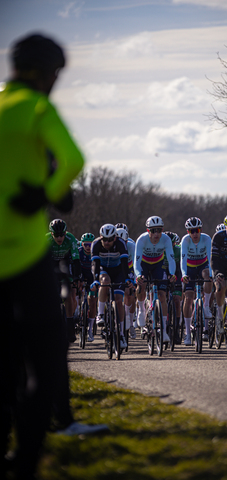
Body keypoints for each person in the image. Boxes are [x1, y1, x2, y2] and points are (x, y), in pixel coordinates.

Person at [0, 33, 107, 480]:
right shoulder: (38, 108)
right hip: (26, 256)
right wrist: (48, 192)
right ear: (50, 73)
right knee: (44, 358)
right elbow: (75, 159)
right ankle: (26, 462)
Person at [134, 216, 176, 343]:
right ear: (148, 231)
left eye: (159, 230)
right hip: (144, 265)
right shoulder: (141, 240)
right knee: (141, 285)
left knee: (162, 295)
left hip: (158, 265)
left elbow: (171, 258)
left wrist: (172, 274)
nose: (156, 234)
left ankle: (163, 330)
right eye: (153, 230)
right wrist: (138, 275)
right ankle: (141, 309)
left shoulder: (166, 239)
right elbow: (137, 262)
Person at [91, 223, 131, 349]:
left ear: (115, 238)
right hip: (103, 270)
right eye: (104, 239)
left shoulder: (120, 244)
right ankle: (100, 314)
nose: (107, 243)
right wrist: (95, 279)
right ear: (100, 237)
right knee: (104, 281)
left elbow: (125, 264)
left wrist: (127, 278)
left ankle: (121, 334)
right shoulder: (96, 244)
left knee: (119, 301)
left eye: (109, 240)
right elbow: (95, 265)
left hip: (118, 271)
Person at [47, 218, 82, 342]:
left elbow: (76, 260)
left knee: (69, 294)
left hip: (66, 264)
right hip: (51, 265)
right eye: (56, 235)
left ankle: (70, 327)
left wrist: (76, 278)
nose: (60, 238)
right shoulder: (46, 240)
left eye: (62, 234)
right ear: (52, 234)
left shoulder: (70, 239)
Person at [180, 217, 213, 345]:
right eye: (191, 231)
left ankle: (205, 307)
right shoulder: (185, 240)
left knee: (207, 275)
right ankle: (187, 333)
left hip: (203, 265)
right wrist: (183, 275)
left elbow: (210, 260)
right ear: (188, 232)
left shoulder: (206, 239)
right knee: (188, 298)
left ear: (201, 230)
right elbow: (182, 261)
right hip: (189, 268)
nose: (194, 234)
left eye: (197, 230)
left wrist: (210, 274)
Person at [116, 226, 137, 339]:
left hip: (130, 268)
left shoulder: (131, 246)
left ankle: (130, 321)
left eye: (124, 242)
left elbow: (135, 263)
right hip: (118, 268)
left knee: (131, 292)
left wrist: (134, 280)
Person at [163, 231, 182, 344]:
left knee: (176, 300)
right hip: (163, 273)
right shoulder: (160, 250)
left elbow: (181, 267)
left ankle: (176, 331)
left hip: (176, 273)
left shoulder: (178, 250)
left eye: (173, 244)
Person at [78, 232, 97, 342]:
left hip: (92, 277)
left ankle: (90, 329)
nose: (88, 247)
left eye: (90, 245)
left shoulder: (95, 252)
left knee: (92, 300)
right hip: (81, 275)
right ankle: (77, 310)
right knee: (76, 291)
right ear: (82, 244)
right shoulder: (79, 252)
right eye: (86, 244)